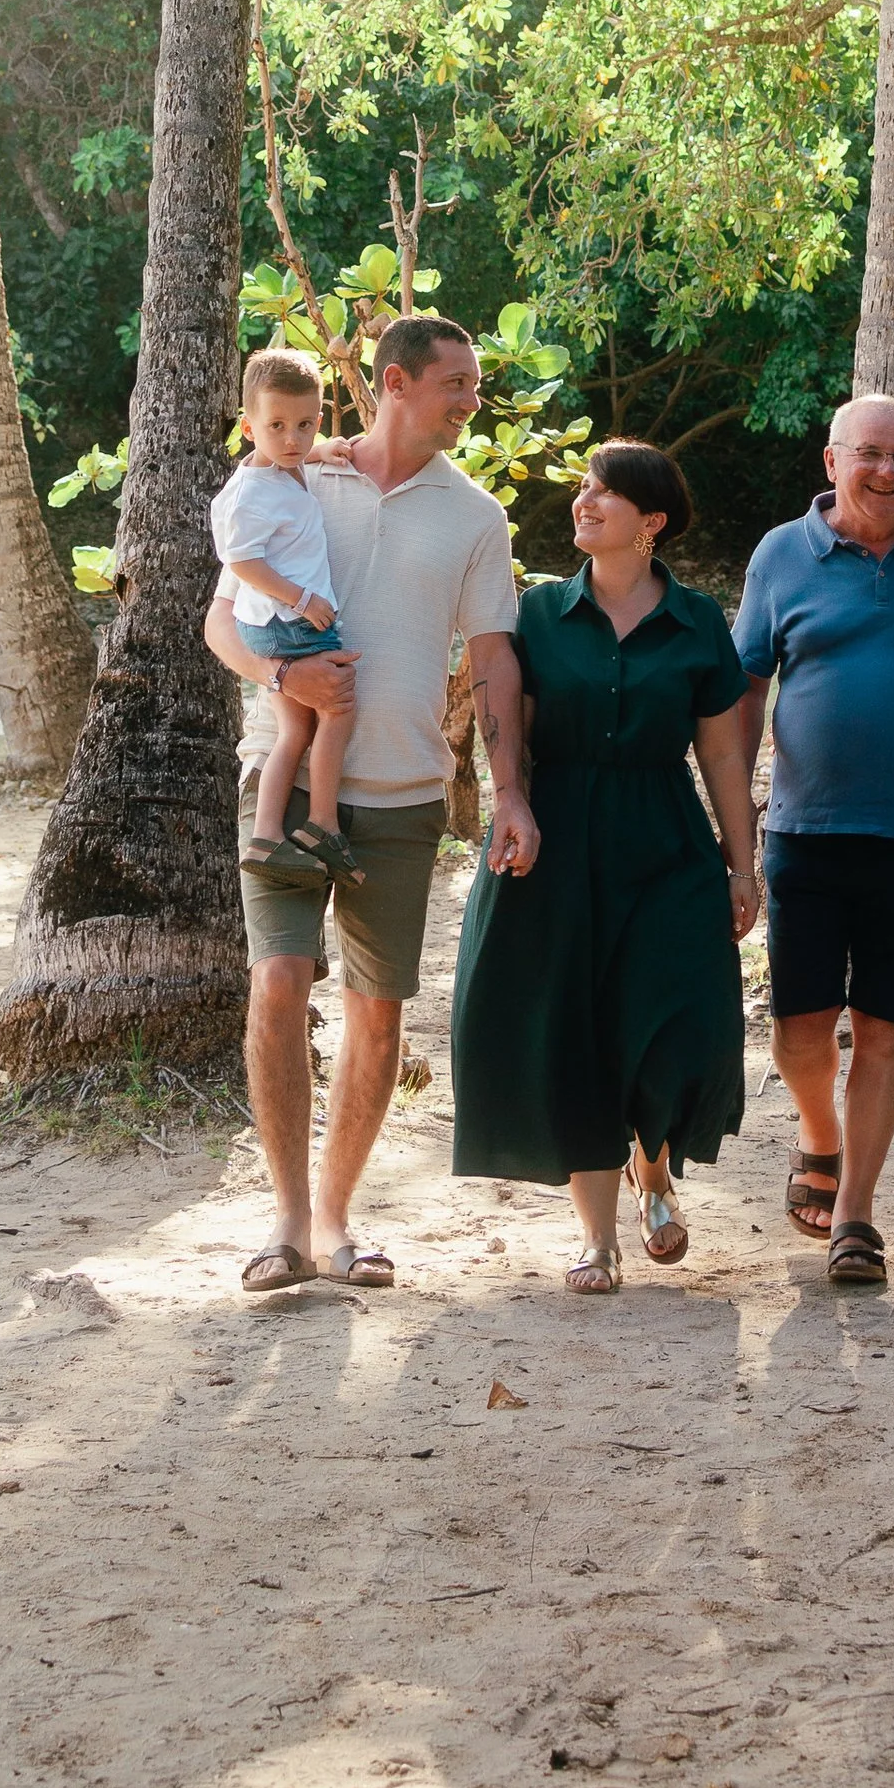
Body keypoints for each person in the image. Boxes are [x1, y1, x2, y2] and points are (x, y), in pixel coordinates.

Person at [201, 313, 535, 1295]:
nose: (473, 400)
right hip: (285, 781)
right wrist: (280, 675)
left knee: (377, 1014)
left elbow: (493, 660)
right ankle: (287, 1220)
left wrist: (509, 790)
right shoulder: (297, 475)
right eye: (457, 383)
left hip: (404, 793)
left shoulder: (475, 516)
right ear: (396, 381)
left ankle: (336, 1218)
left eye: (475, 385)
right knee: (277, 983)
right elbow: (221, 621)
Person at [450, 440, 759, 1291]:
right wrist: (508, 802)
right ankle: (599, 1239)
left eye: (603, 493)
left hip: (665, 840)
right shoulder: (542, 612)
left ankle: (652, 1173)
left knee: (671, 1020)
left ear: (650, 521)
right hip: (558, 839)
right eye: (583, 487)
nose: (582, 502)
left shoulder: (698, 620)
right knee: (577, 1031)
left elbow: (721, 754)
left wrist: (743, 866)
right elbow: (510, 728)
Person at [735, 390, 894, 1289]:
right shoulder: (781, 554)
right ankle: (818, 1135)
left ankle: (856, 1213)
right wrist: (738, 820)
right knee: (800, 1029)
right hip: (806, 831)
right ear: (831, 461)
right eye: (869, 454)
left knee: (884, 1030)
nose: (887, 471)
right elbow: (746, 687)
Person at [213, 346, 360, 878]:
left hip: (273, 623)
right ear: (248, 428)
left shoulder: (281, 465)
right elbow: (242, 562)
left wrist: (321, 452)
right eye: (276, 426)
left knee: (294, 732)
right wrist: (303, 599)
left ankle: (265, 837)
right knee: (339, 710)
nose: (293, 439)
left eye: (305, 425)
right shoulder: (251, 495)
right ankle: (323, 823)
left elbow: (294, 454)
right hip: (287, 622)